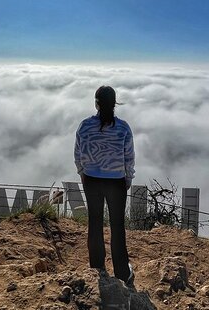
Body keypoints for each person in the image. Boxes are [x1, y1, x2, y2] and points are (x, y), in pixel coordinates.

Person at [74, 85, 135, 286]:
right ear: (114, 104)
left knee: (95, 223)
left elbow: (78, 154)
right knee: (117, 227)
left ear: (96, 103)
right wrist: (127, 179)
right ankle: (122, 273)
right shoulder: (123, 128)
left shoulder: (84, 126)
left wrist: (83, 173)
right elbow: (129, 158)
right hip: (116, 182)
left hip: (91, 180)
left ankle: (97, 269)